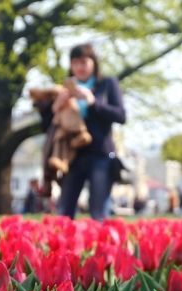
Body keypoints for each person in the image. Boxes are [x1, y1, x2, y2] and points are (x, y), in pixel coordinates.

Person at [34, 43, 126, 220]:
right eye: (75, 62)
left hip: (100, 153)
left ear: (93, 63)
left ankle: (102, 245)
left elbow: (120, 115)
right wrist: (56, 106)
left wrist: (93, 102)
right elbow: (46, 127)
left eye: (84, 62)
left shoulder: (106, 84)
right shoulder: (63, 89)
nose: (79, 67)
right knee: (65, 208)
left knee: (99, 210)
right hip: (71, 155)